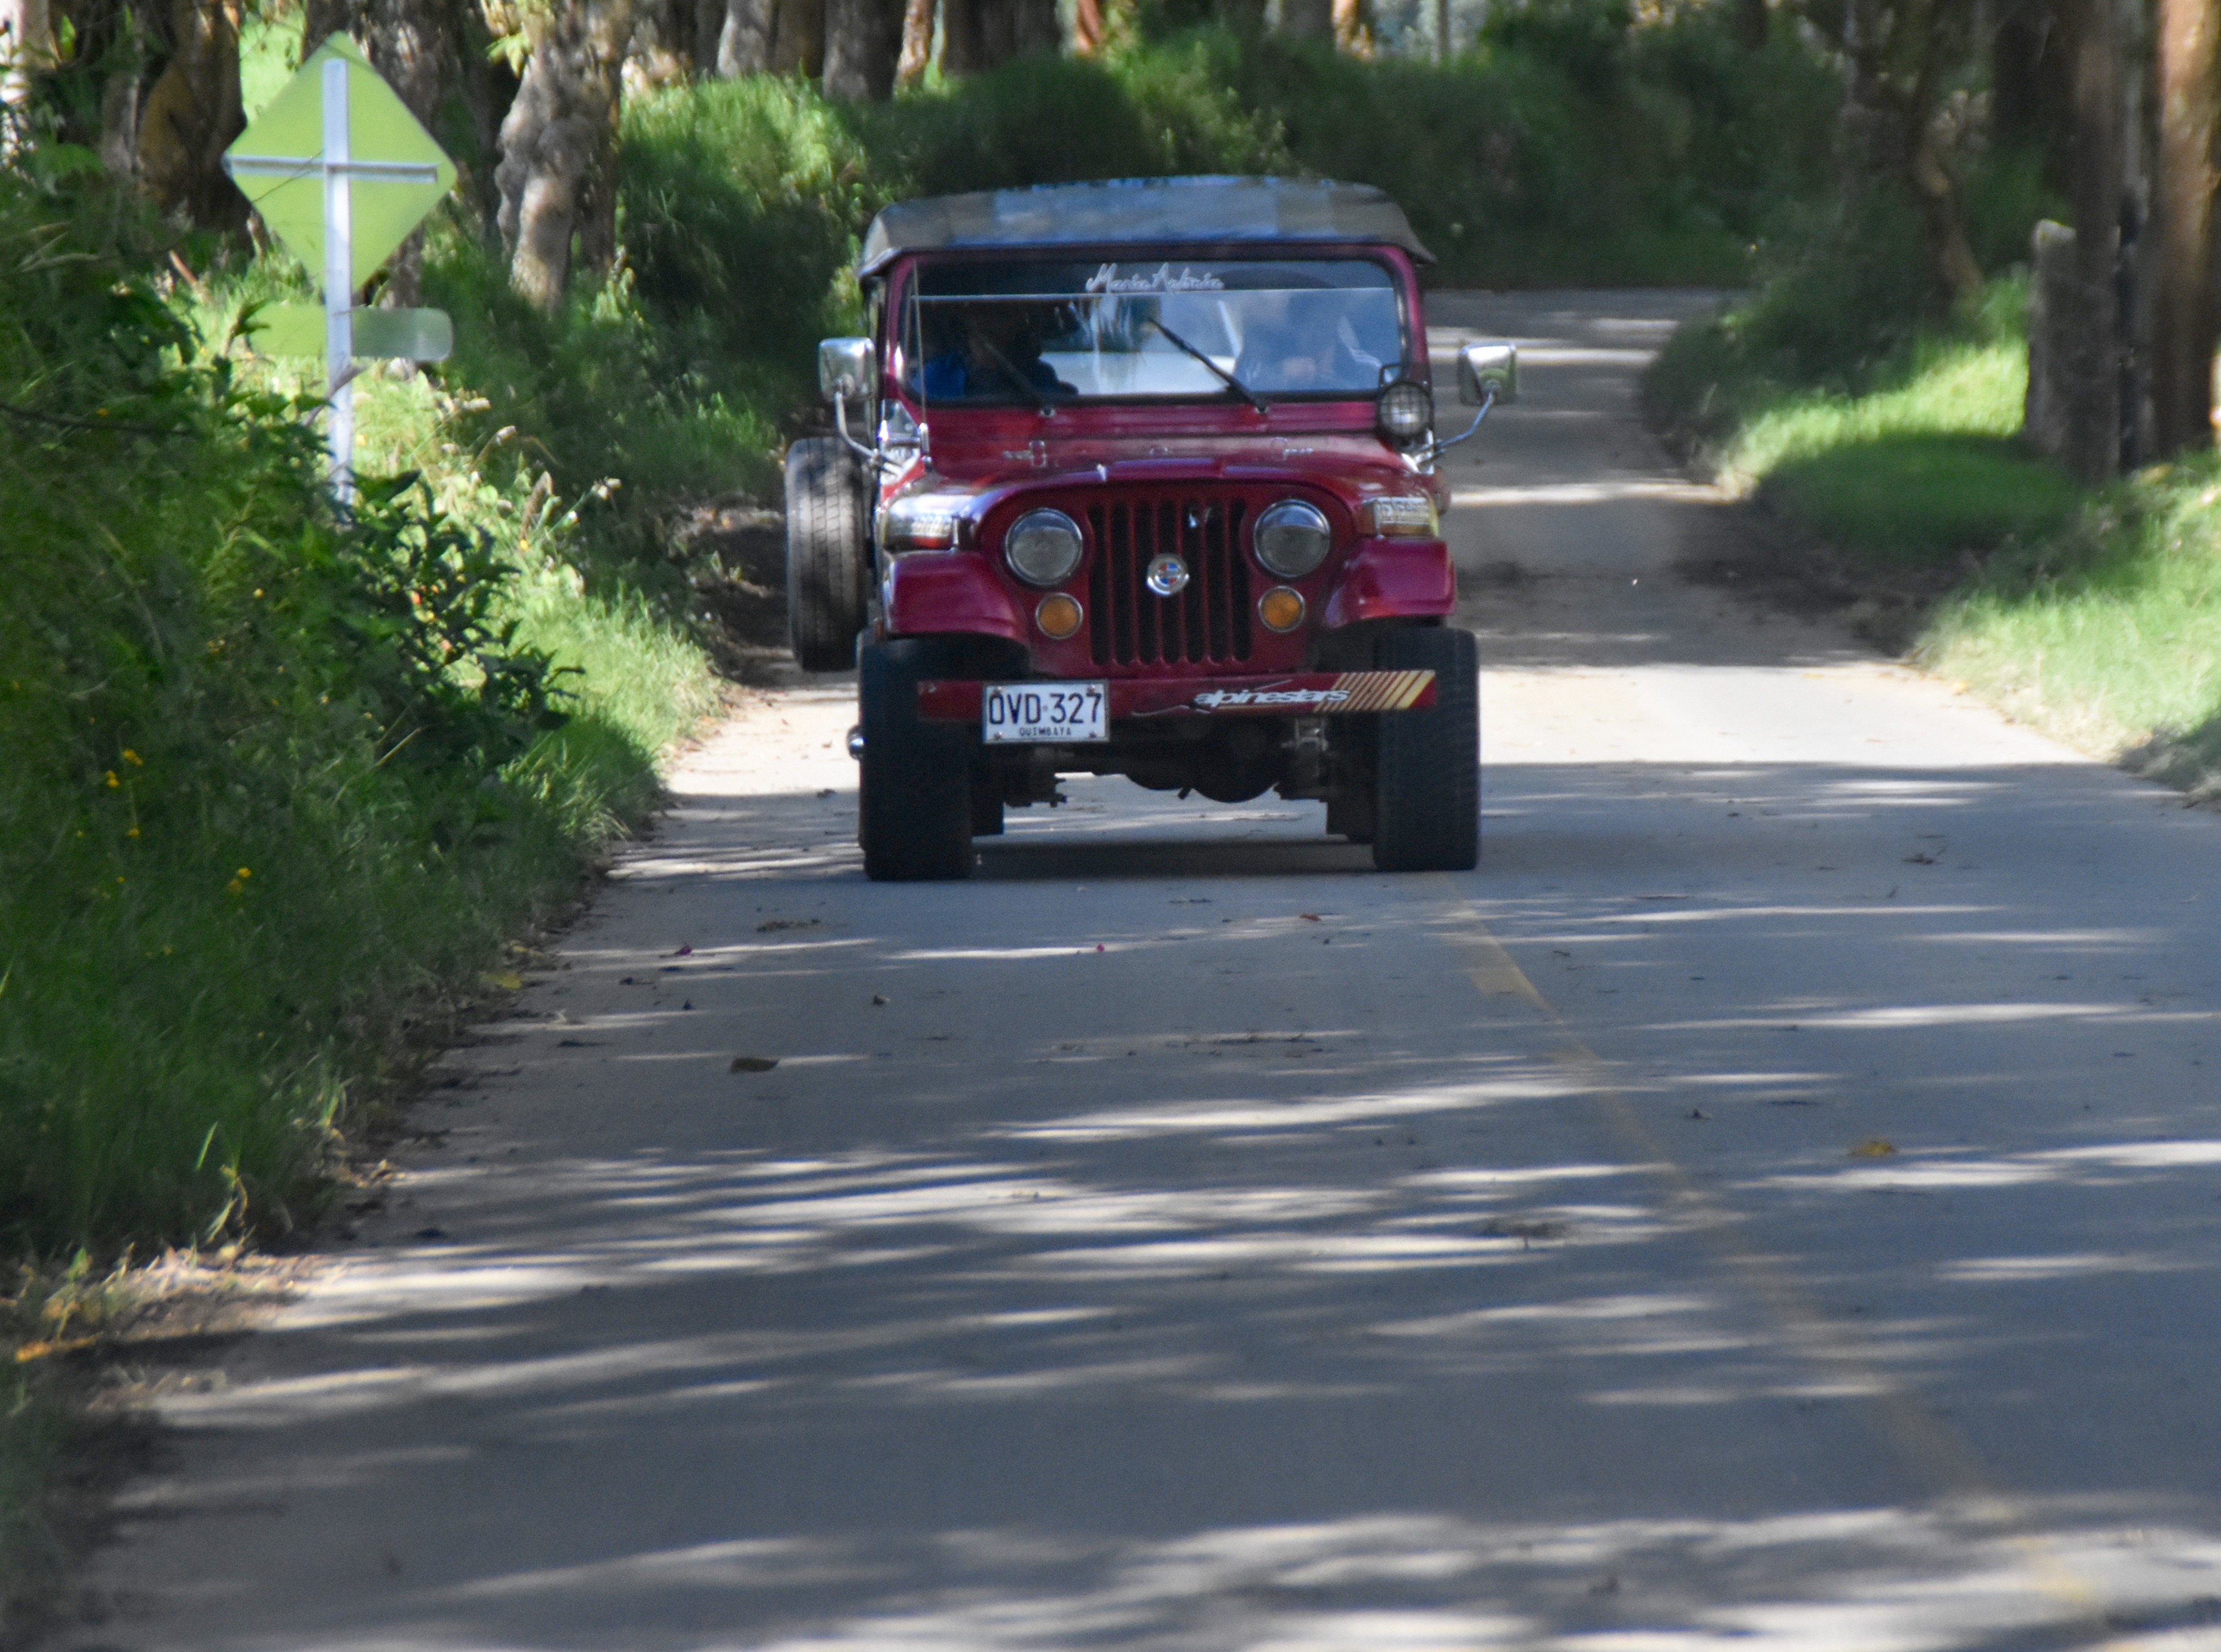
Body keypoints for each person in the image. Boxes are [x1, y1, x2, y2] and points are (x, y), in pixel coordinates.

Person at [921, 303, 1075, 401]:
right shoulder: (936, 376)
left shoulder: (1040, 374)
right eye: (981, 313)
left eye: (1001, 315)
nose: (989, 322)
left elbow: (1051, 414)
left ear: (1017, 325)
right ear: (968, 323)